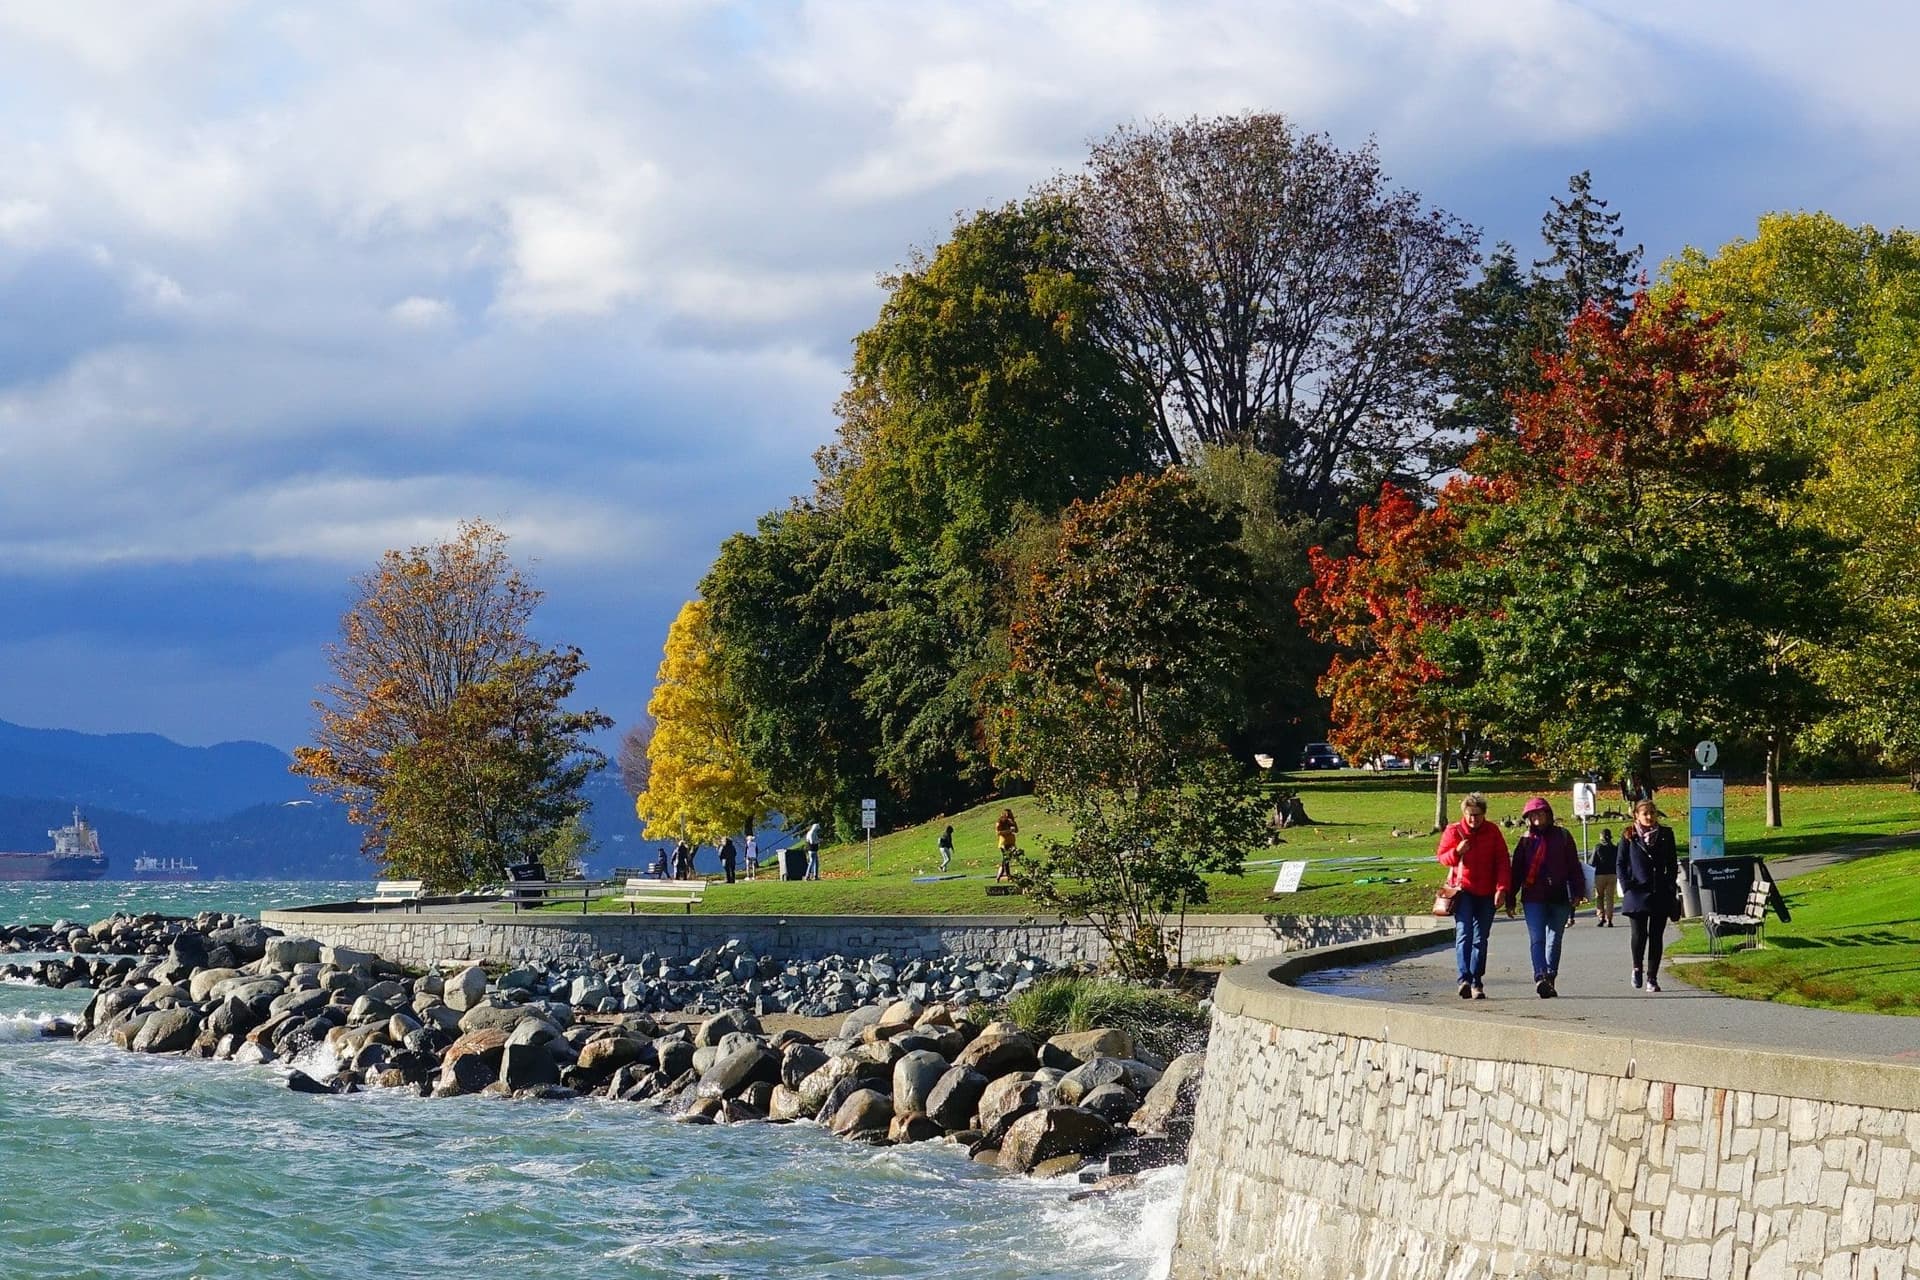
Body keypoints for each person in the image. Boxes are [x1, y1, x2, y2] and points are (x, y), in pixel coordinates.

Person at [1509, 796, 1587, 998]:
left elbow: (1574, 866)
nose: (1537, 817)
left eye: (1540, 813)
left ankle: (1551, 975)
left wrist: (1578, 892)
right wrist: (1510, 898)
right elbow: (1516, 872)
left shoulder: (1563, 836)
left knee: (1555, 938)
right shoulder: (1525, 841)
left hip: (1559, 895)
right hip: (1533, 897)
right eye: (1532, 814)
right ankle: (1540, 976)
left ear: (1548, 814)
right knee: (1537, 938)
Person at [1436, 792, 1509, 1000]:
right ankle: (1464, 979)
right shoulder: (1454, 831)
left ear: (1484, 814)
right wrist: (1457, 852)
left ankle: (1477, 980)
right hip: (1463, 891)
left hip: (1486, 893)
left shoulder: (1492, 831)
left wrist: (1502, 888)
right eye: (1469, 815)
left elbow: (1502, 861)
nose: (1473, 819)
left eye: (1477, 815)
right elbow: (1442, 858)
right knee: (1464, 933)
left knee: (1480, 939)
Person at [1617, 799, 1679, 992]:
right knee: (1639, 934)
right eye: (1645, 814)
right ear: (1637, 815)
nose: (1650, 817)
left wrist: (1669, 883)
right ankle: (1637, 967)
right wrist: (1627, 885)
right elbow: (1620, 863)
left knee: (1656, 935)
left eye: (1653, 813)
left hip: (1660, 892)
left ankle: (1652, 977)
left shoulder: (1666, 834)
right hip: (1637, 892)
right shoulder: (1629, 835)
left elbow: (1672, 862)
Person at [1589, 828, 1619, 927]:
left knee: (1599, 896)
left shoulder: (1598, 847)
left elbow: (1592, 862)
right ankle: (1609, 919)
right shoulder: (1615, 848)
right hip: (1612, 874)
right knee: (1610, 898)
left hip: (1600, 875)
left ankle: (1601, 917)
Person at [994, 808, 1019, 881]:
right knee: (1006, 859)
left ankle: (999, 876)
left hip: (1011, 842)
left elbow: (1016, 830)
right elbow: (998, 833)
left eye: (1010, 814)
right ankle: (1008, 876)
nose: (1009, 815)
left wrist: (1014, 824)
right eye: (1007, 814)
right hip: (1004, 843)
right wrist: (1009, 831)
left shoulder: (1012, 821)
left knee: (1006, 860)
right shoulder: (1000, 821)